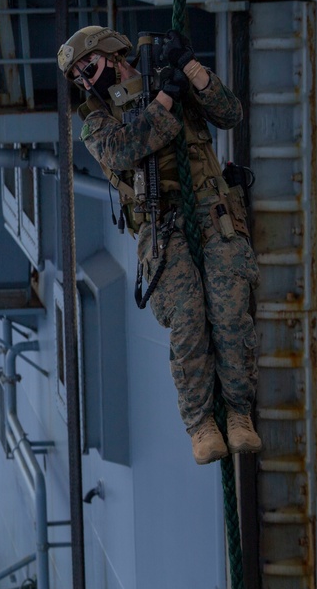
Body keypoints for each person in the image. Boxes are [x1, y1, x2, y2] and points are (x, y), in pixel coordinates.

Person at [57, 26, 262, 464]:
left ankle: (240, 414)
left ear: (112, 55)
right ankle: (202, 425)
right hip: (160, 224)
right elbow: (127, 150)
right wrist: (166, 99)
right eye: (79, 78)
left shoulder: (172, 78)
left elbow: (230, 114)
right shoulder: (96, 121)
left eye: (89, 68)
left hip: (212, 207)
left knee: (229, 312)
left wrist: (191, 69)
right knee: (187, 319)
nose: (87, 82)